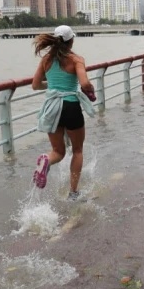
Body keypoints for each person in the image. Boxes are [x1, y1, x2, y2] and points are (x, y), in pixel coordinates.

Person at [31, 25, 96, 200]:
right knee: (77, 151)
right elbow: (84, 83)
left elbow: (35, 85)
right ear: (71, 40)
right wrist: (90, 90)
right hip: (71, 106)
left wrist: (52, 86)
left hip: (52, 107)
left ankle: (46, 159)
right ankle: (73, 192)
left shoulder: (46, 60)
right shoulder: (76, 59)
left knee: (58, 152)